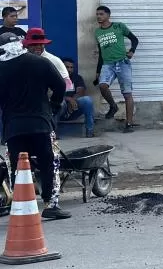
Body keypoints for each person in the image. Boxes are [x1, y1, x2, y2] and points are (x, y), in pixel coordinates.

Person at [0, 32, 70, 219]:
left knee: (17, 166)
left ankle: (21, 206)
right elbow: (60, 86)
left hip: (13, 127)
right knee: (49, 163)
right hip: (41, 123)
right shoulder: (40, 62)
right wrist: (54, 105)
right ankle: (51, 205)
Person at [94, 5, 139, 132]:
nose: (98, 16)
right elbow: (101, 53)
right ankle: (113, 106)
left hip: (122, 63)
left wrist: (132, 51)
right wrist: (98, 71)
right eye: (97, 14)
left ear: (108, 15)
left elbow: (134, 39)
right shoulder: (97, 32)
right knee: (103, 86)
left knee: (127, 93)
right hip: (107, 64)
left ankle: (129, 124)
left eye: (101, 14)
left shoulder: (119, 26)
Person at [60, 57, 96, 138]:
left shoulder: (77, 78)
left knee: (87, 100)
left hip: (73, 109)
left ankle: (90, 131)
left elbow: (81, 92)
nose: (69, 70)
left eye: (71, 67)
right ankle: (53, 133)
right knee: (61, 103)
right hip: (60, 110)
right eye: (67, 67)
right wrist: (68, 99)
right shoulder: (55, 77)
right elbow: (51, 95)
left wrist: (73, 100)